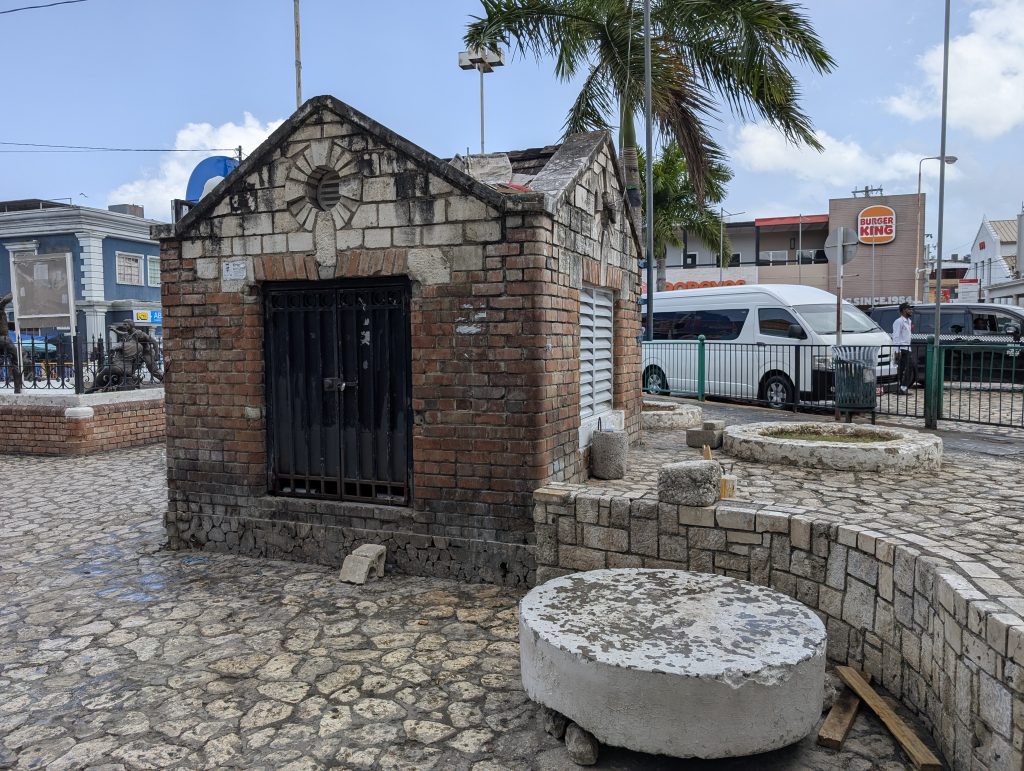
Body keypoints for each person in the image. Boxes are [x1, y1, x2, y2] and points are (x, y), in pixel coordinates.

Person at [0, 292, 23, 393]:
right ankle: (17, 388)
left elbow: (4, 324)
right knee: (15, 360)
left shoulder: (2, 314)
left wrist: (14, 325)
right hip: (3, 339)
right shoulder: (0, 308)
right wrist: (15, 290)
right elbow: (6, 299)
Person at [892, 302, 916, 394]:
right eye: (909, 309)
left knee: (906, 368)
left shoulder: (909, 321)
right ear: (903, 310)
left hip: (907, 348)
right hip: (901, 348)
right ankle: (902, 388)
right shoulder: (899, 321)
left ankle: (902, 388)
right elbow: (896, 336)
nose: (911, 311)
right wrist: (897, 350)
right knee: (906, 368)